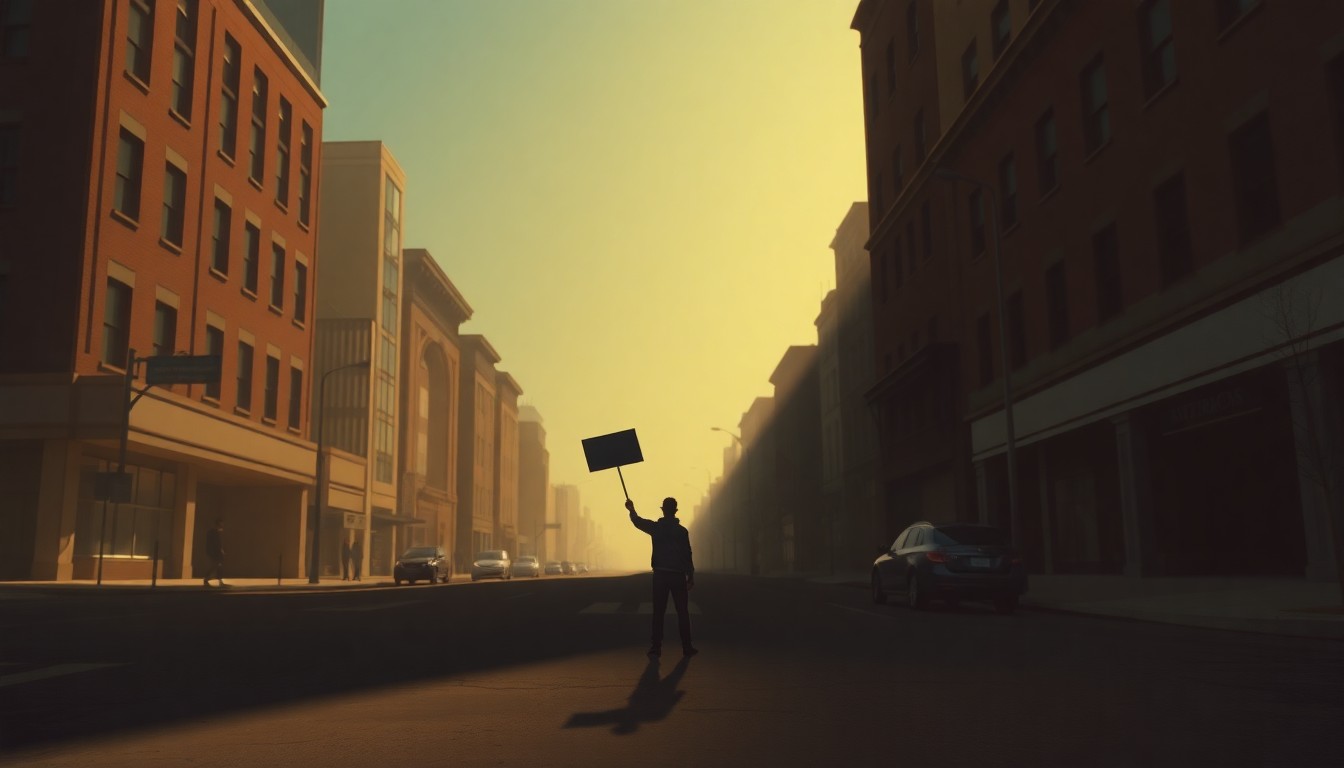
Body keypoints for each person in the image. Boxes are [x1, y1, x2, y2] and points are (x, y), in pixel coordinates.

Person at [626, 497, 697, 658]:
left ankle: (656, 648)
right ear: (675, 511)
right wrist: (690, 575)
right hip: (678, 576)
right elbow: (687, 554)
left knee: (658, 612)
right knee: (682, 612)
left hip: (661, 576)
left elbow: (638, 522)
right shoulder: (681, 531)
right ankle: (687, 647)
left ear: (663, 510)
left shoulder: (656, 528)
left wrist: (631, 509)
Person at [203, 518, 227, 587]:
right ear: (218, 524)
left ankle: (219, 581)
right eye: (221, 523)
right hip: (214, 552)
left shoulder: (217, 532)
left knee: (219, 566)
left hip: (216, 552)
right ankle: (206, 579)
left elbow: (219, 543)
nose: (223, 525)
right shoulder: (213, 532)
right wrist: (220, 550)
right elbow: (216, 543)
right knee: (216, 565)